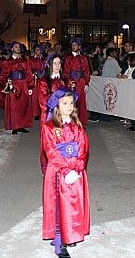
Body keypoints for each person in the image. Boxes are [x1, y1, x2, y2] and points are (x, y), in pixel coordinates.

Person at [41, 88, 90, 258]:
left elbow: (83, 147)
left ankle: (72, 232)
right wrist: (64, 169)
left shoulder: (77, 124)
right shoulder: (49, 127)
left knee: (74, 204)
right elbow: (50, 150)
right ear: (57, 105)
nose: (69, 106)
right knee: (59, 205)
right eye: (65, 103)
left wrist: (77, 167)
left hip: (75, 169)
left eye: (71, 103)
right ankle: (60, 238)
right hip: (58, 171)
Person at [0, 41, 35, 134]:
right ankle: (14, 126)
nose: (18, 48)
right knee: (14, 106)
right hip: (13, 85)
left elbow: (29, 74)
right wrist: (6, 83)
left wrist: (30, 86)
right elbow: (3, 75)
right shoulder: (8, 62)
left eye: (19, 47)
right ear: (12, 49)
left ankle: (22, 126)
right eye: (15, 47)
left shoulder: (25, 61)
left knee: (23, 105)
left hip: (23, 84)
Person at [63, 38, 91, 125]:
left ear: (79, 46)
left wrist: (87, 83)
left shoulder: (84, 58)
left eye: (75, 45)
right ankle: (71, 122)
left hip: (81, 82)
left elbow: (87, 71)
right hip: (72, 82)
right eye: (72, 45)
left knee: (82, 103)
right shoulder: (68, 58)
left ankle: (81, 122)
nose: (73, 46)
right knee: (71, 102)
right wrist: (69, 82)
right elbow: (66, 72)